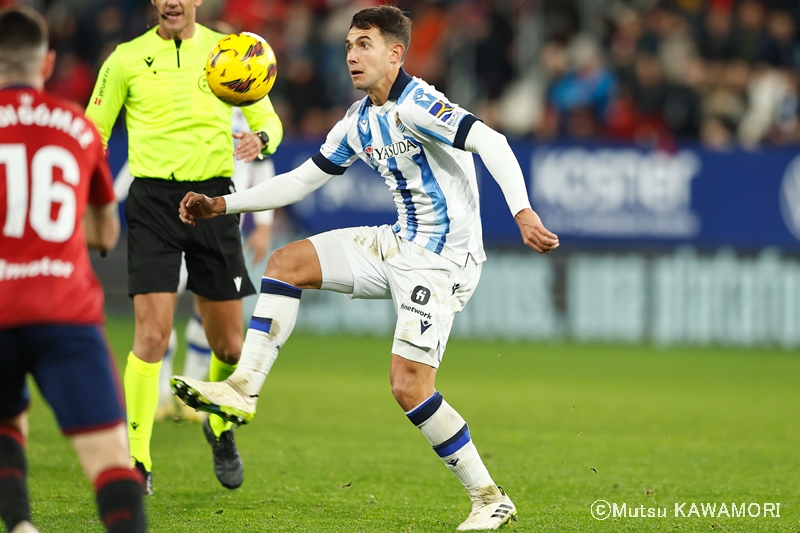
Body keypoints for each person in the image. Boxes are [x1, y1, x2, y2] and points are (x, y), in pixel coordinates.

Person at [174, 5, 558, 530]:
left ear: (396, 53)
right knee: (286, 262)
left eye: (365, 45)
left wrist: (522, 210)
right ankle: (244, 387)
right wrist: (223, 205)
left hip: (441, 262)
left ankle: (489, 497)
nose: (352, 55)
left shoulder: (421, 104)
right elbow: (301, 180)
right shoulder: (359, 120)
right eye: (349, 45)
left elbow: (493, 141)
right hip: (397, 243)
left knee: (409, 386)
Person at [85, 0, 283, 495]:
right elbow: (92, 132)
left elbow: (270, 121)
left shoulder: (230, 50)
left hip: (213, 201)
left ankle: (215, 424)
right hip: (152, 203)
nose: (172, 0)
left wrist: (261, 138)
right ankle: (136, 462)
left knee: (230, 347)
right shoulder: (125, 59)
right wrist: (90, 192)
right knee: (152, 336)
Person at [0, 6, 146, 533]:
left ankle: (19, 523)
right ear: (47, 64)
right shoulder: (78, 129)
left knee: (7, 419)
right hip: (64, 312)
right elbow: (106, 233)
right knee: (109, 460)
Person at [112, 106, 276, 423]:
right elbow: (143, 155)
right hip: (168, 223)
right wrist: (112, 200)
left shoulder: (247, 100)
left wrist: (265, 224)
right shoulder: (185, 95)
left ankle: (193, 392)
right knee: (161, 310)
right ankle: (161, 393)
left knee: (214, 320)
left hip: (223, 227)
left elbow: (263, 162)